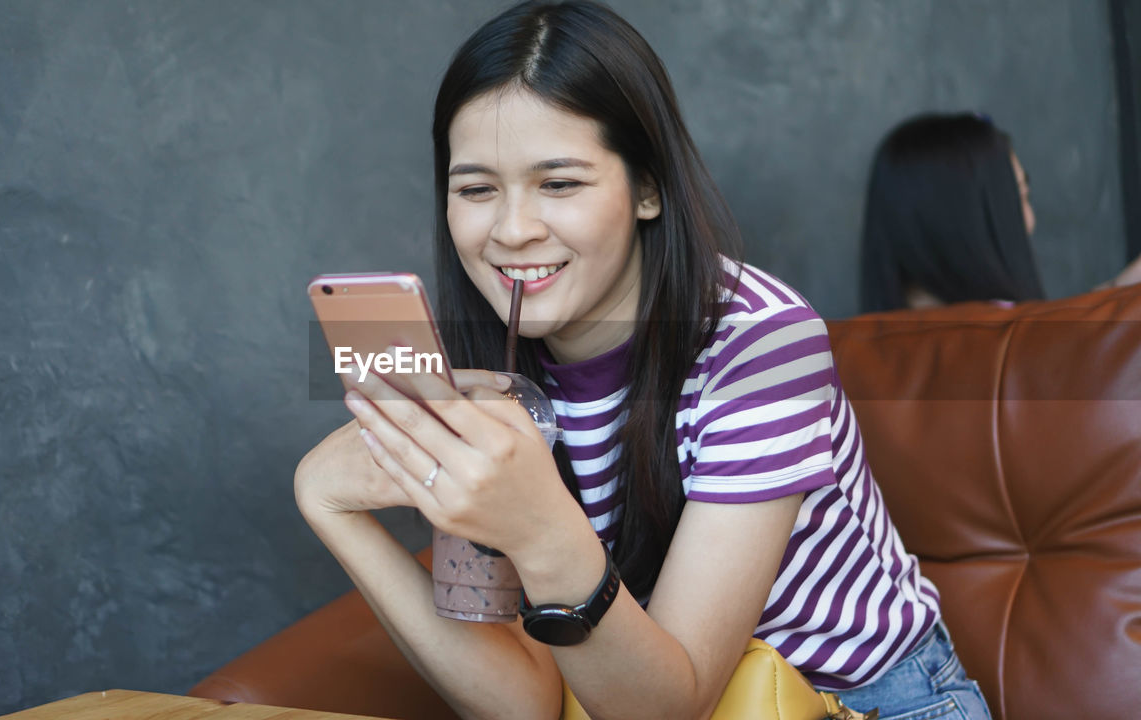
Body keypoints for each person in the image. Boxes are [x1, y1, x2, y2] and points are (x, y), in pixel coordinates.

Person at [294, 2, 991, 718]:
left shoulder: (762, 345)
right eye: (476, 189)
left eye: (559, 184)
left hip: (875, 704)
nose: (511, 230)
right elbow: (524, 702)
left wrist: (536, 523)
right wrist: (328, 502)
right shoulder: (492, 362)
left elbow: (666, 708)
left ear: (648, 188)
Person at [859, 112, 1141, 313]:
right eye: (1017, 198)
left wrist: (1116, 287)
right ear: (966, 225)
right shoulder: (1013, 346)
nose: (1029, 224)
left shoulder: (845, 358)